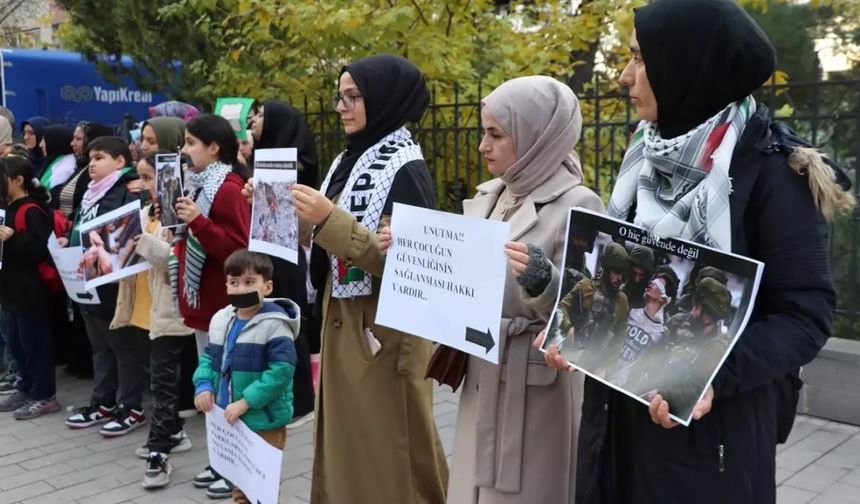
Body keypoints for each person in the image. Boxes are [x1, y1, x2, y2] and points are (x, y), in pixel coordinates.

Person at [543, 1, 855, 502]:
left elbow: (805, 315)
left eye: (640, 59)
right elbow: (619, 272)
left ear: (687, 64)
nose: (625, 77)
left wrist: (710, 376)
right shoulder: (646, 153)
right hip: (616, 424)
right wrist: (578, 329)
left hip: (710, 440)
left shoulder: (773, 173)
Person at [279, 53, 447, 503]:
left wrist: (328, 218)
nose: (341, 106)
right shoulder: (350, 160)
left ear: (384, 100)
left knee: (390, 466)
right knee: (353, 463)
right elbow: (334, 237)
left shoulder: (405, 169)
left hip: (383, 340)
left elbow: (411, 264)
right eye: (340, 96)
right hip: (350, 329)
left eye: (353, 97)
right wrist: (287, 214)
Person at [440, 76, 603, 503]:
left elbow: (591, 318)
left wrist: (544, 281)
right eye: (483, 132)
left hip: (535, 389)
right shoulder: (492, 195)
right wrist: (411, 253)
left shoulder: (579, 204)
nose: (482, 145)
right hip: (484, 373)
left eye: (496, 134)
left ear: (536, 136)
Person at [172, 114, 251, 499]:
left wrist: (199, 222)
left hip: (223, 306)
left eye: (190, 143)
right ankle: (220, 460)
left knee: (226, 388)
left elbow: (238, 250)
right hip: (206, 306)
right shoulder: (203, 184)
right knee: (212, 387)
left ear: (214, 147)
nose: (185, 151)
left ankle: (235, 468)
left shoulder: (230, 188)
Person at [108, 151, 196, 488]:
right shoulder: (146, 213)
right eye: (142, 178)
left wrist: (142, 243)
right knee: (161, 382)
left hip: (170, 312)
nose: (142, 185)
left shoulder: (181, 214)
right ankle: (172, 432)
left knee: (163, 383)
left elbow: (176, 261)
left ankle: (160, 453)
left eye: (148, 178)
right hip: (147, 309)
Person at [193, 250, 299, 504]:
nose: (241, 289)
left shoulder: (275, 324)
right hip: (231, 419)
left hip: (264, 421)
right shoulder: (221, 319)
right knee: (240, 481)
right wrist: (204, 384)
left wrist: (246, 402)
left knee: (259, 486)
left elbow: (281, 371)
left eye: (250, 282)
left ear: (267, 286)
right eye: (234, 282)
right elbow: (209, 357)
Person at [63, 136, 150, 437]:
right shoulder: (90, 193)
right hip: (87, 282)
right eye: (90, 158)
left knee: (124, 347)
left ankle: (132, 407)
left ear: (120, 162)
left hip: (114, 284)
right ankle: (103, 403)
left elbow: (130, 234)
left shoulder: (127, 190)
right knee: (100, 347)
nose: (92, 164)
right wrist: (69, 240)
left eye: (99, 157)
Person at [249, 98, 319, 428]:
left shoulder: (298, 165)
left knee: (291, 321)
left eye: (261, 115)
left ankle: (303, 401)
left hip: (288, 254)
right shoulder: (261, 159)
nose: (254, 120)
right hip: (267, 247)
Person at [0, 156, 61, 419]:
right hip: (12, 290)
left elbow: (42, 251)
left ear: (18, 181)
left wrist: (15, 239)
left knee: (35, 343)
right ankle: (26, 386)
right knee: (16, 342)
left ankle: (44, 394)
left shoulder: (31, 210)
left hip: (31, 291)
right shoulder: (8, 208)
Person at [552, 242, 630, 352]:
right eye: (617, 272)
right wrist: (568, 327)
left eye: (623, 274)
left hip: (596, 358)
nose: (620, 278)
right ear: (606, 270)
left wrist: (606, 367)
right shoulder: (585, 286)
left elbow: (620, 337)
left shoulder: (622, 300)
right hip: (574, 349)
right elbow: (561, 308)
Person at [624, 245, 654, 310]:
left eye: (641, 275)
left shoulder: (648, 300)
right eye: (634, 273)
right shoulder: (619, 288)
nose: (636, 279)